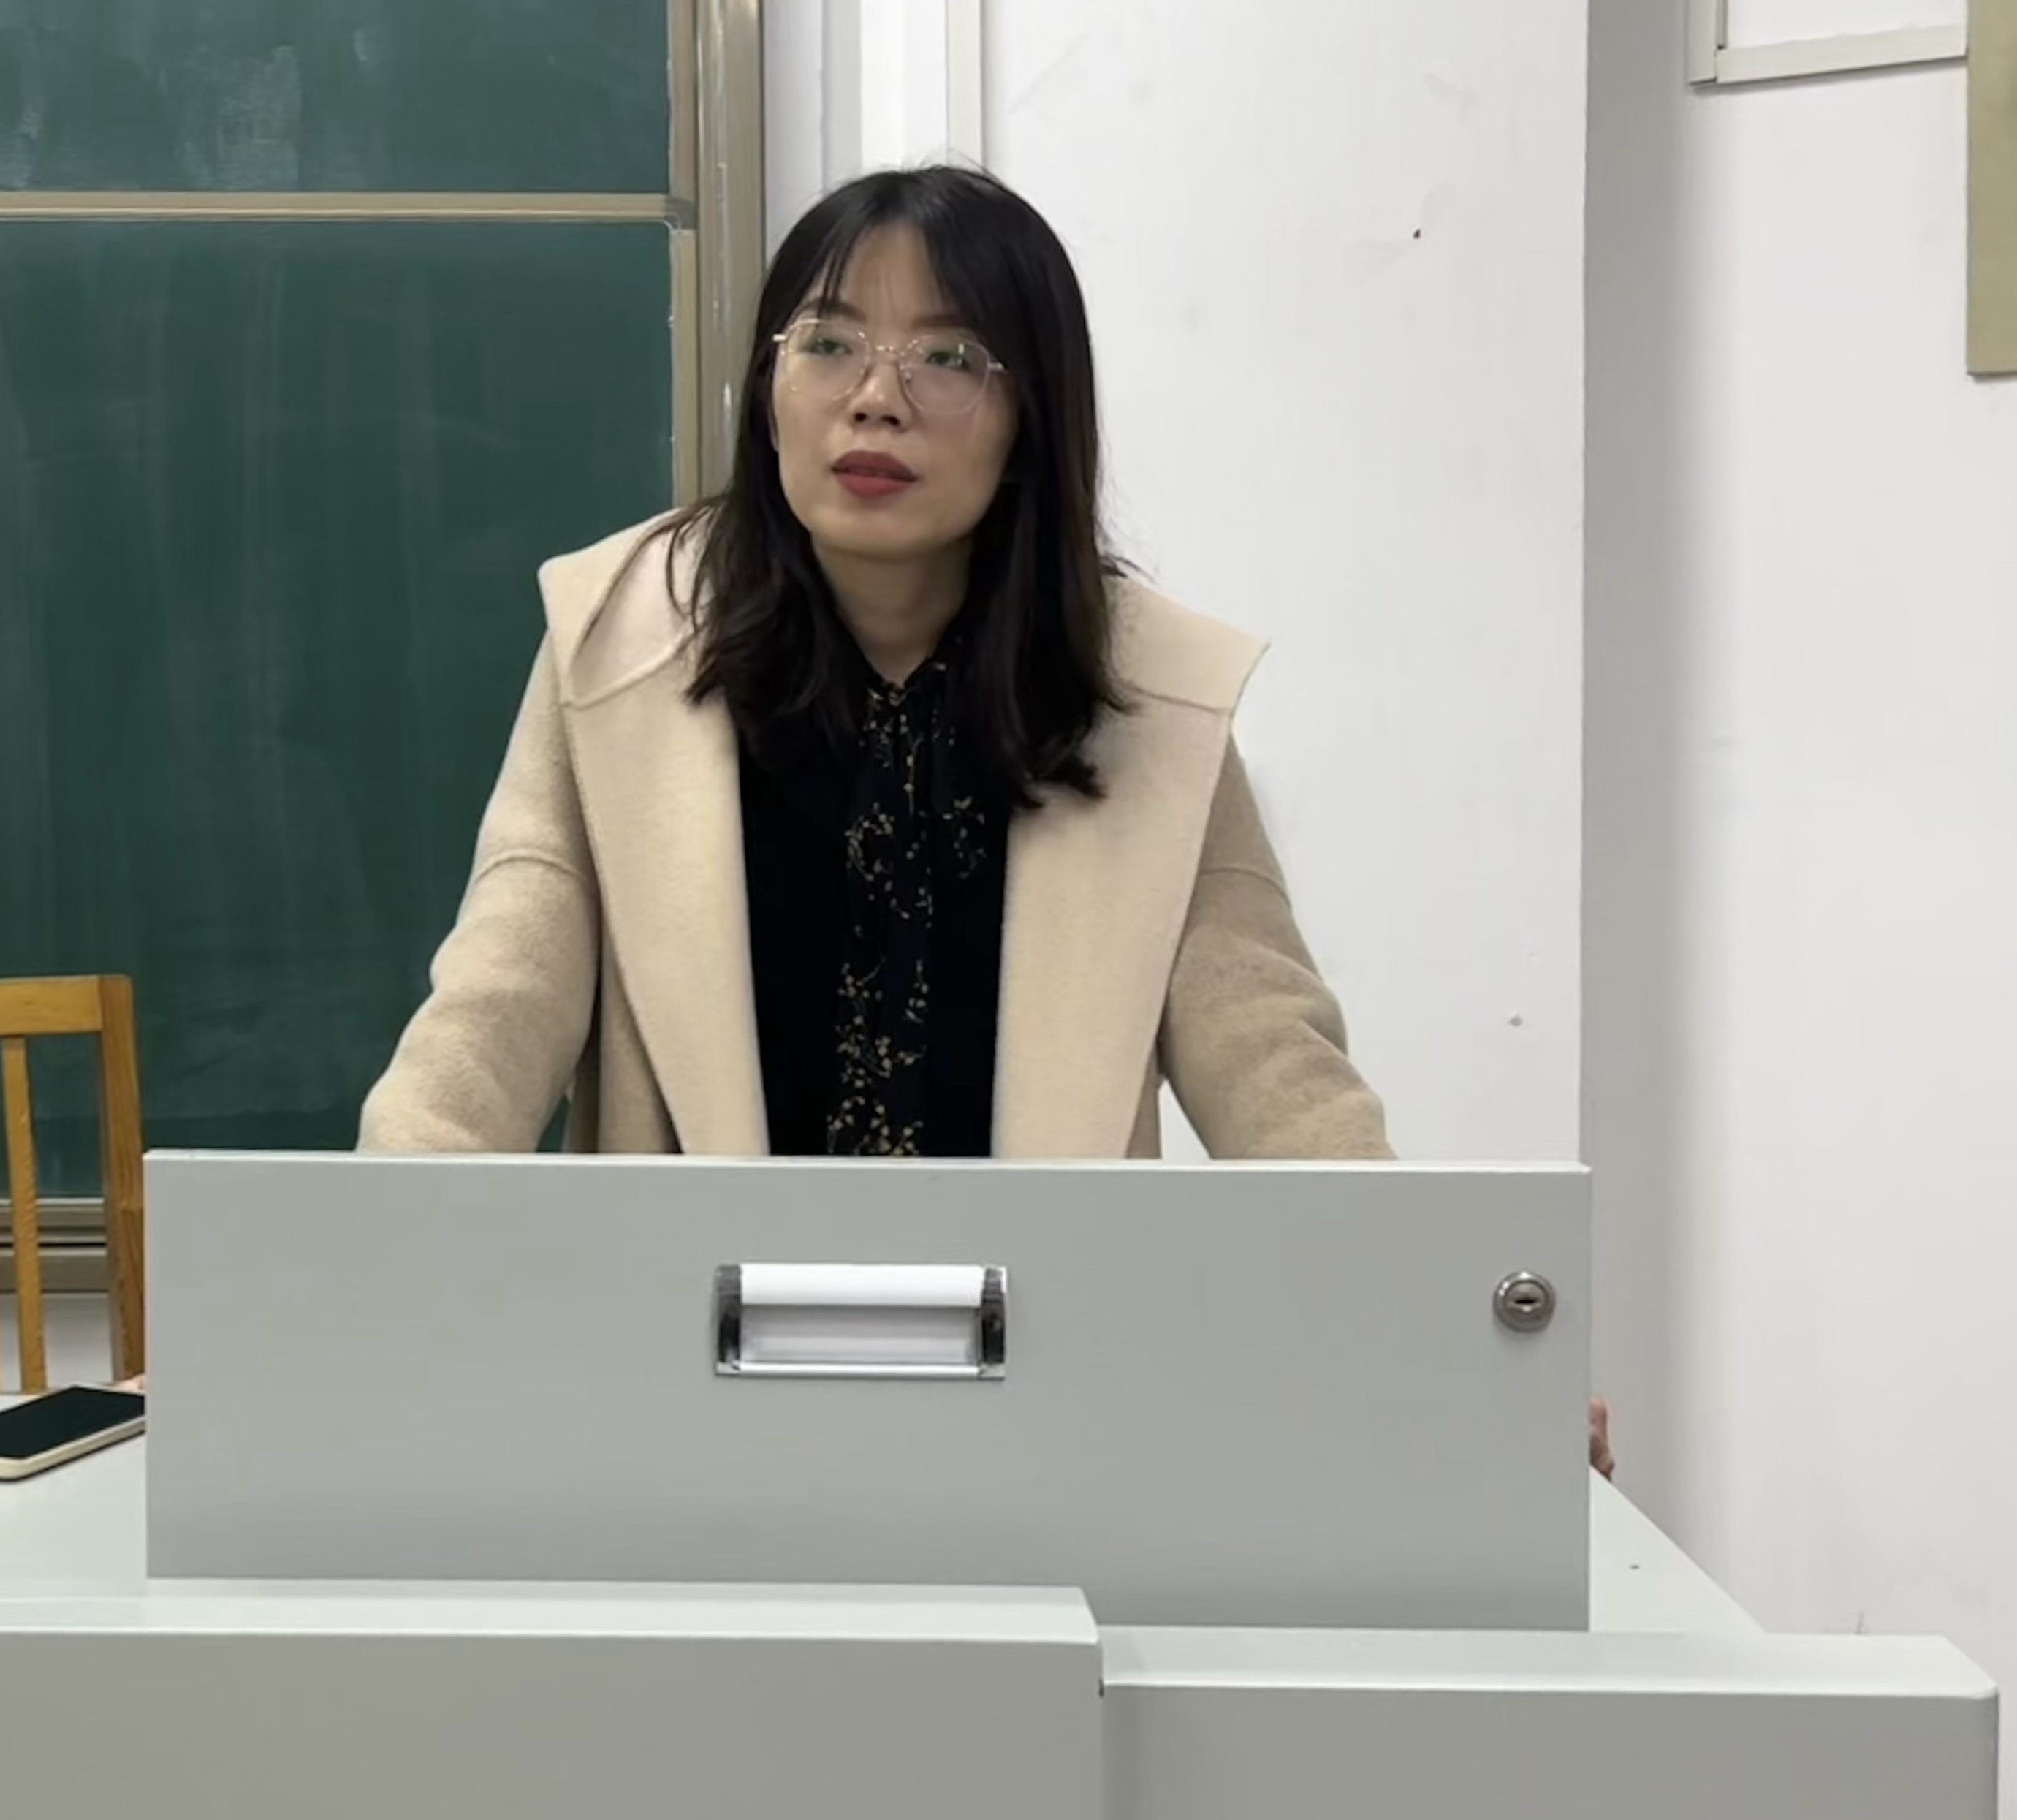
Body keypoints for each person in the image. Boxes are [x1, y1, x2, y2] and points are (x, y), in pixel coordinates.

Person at [357, 164, 1390, 1167]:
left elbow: (1279, 1074)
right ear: (768, 393)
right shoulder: (616, 639)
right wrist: (376, 1238)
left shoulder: (1147, 693)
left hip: (1036, 1288)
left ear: (1031, 419)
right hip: (697, 1286)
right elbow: (487, 1023)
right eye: (828, 343)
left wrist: (1397, 1259)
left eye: (947, 357)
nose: (875, 398)